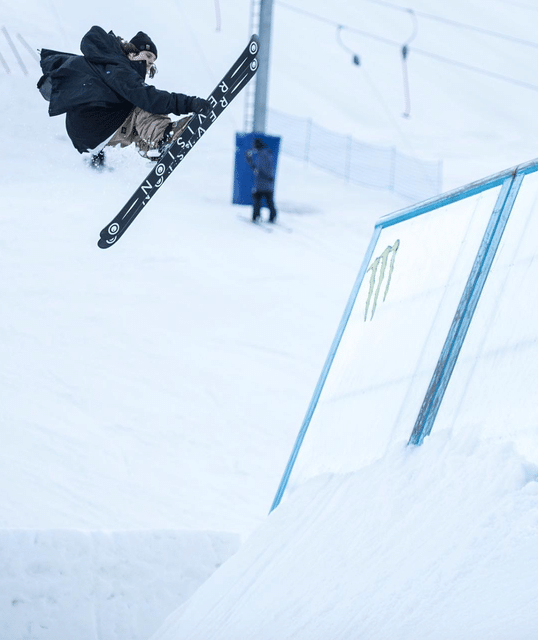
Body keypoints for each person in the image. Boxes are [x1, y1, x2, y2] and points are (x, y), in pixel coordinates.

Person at [37, 25, 210, 168]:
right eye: (148, 56)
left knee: (134, 117)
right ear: (133, 53)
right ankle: (163, 137)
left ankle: (150, 148)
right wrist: (190, 103)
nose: (150, 64)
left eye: (154, 61)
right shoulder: (119, 66)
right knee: (143, 104)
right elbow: (149, 98)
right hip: (96, 125)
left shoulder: (109, 63)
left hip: (90, 131)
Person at [245, 138, 278, 223]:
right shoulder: (266, 153)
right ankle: (272, 216)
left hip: (261, 183)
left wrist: (250, 161)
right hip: (267, 183)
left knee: (258, 200)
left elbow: (259, 169)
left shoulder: (262, 155)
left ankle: (256, 216)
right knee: (269, 201)